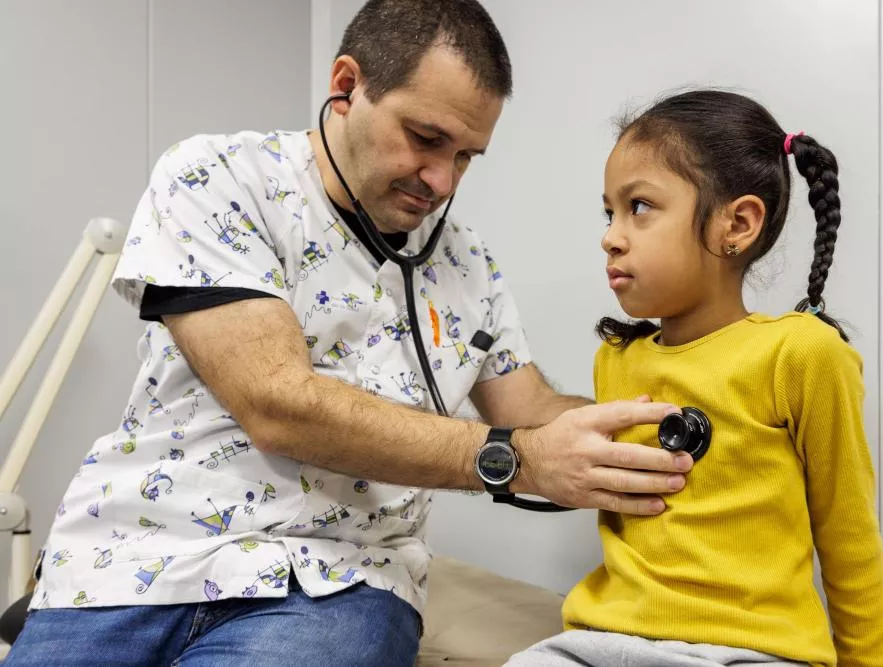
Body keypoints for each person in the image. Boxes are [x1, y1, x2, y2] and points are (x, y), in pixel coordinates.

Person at [4, 1, 694, 665]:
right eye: (426, 139)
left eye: (467, 157)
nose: (442, 180)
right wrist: (515, 459)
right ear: (345, 87)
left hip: (341, 582)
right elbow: (277, 404)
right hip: (131, 564)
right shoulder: (220, 178)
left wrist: (682, 405)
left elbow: (533, 412)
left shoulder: (465, 261)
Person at [505, 90, 883, 667]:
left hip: (751, 651)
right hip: (603, 641)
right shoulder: (615, 360)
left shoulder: (802, 354)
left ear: (735, 223)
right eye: (608, 212)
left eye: (639, 206)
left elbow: (850, 537)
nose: (611, 235)